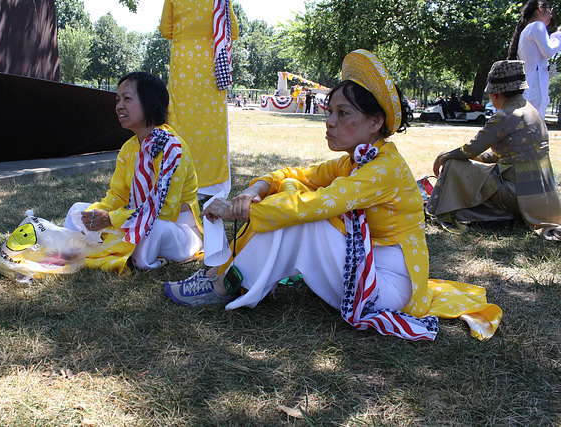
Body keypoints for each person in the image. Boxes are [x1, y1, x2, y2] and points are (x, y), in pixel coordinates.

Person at [164, 49, 502, 341]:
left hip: (391, 290)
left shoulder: (384, 168)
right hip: (368, 267)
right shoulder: (355, 160)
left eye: (343, 114)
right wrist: (255, 189)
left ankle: (223, 283)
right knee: (294, 205)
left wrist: (241, 211)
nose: (329, 122)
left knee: (303, 219)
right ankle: (226, 278)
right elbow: (294, 174)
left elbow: (315, 203)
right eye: (329, 112)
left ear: (375, 122)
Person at [63, 72, 203, 273]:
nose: (119, 106)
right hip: (134, 217)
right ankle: (110, 244)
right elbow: (118, 194)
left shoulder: (172, 147)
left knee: (150, 232)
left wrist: (112, 219)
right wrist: (96, 214)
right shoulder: (129, 148)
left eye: (127, 99)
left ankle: (112, 247)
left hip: (174, 228)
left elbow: (164, 213)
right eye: (118, 100)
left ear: (151, 104)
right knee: (77, 210)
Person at [427, 60, 561, 240]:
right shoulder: (532, 112)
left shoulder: (505, 116)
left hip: (516, 193)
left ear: (494, 94)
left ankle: (440, 209)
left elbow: (469, 150)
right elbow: (501, 154)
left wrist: (444, 157)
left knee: (453, 165)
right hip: (540, 193)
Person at [160, 0, 239, 197]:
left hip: (182, 62)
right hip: (211, 65)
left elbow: (164, 30)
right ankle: (212, 184)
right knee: (211, 123)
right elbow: (233, 31)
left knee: (180, 120)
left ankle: (179, 179)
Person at [508, 0, 561, 120]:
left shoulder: (527, 29)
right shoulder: (538, 26)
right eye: (550, 11)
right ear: (541, 8)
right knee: (533, 124)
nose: (551, 16)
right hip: (535, 85)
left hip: (530, 84)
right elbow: (548, 51)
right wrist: (558, 35)